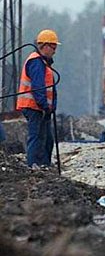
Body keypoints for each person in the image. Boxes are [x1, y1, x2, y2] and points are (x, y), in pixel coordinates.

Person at [17, 29, 59, 168]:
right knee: (36, 137)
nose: (54, 51)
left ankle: (44, 164)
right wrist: (44, 106)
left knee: (47, 139)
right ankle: (33, 165)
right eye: (53, 47)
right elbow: (38, 87)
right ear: (45, 46)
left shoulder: (42, 62)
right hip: (34, 107)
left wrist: (50, 106)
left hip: (40, 107)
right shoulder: (36, 62)